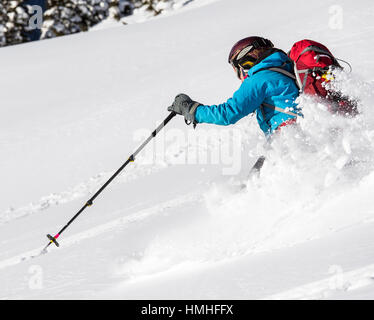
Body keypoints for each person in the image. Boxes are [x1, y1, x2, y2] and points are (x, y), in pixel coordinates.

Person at [168, 36, 302, 137]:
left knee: (256, 174)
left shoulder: (259, 80)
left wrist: (191, 110)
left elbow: (228, 113)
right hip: (300, 131)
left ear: (245, 61)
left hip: (287, 138)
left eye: (237, 68)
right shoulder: (286, 67)